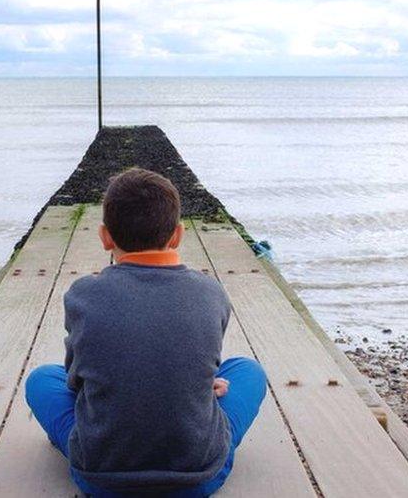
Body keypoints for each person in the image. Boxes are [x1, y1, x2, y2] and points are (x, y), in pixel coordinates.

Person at [25, 168, 267, 497]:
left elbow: (75, 380)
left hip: (102, 480)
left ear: (105, 237)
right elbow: (196, 356)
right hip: (197, 479)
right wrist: (197, 384)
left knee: (41, 380)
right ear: (178, 235)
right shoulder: (211, 292)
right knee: (248, 371)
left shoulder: (82, 294)